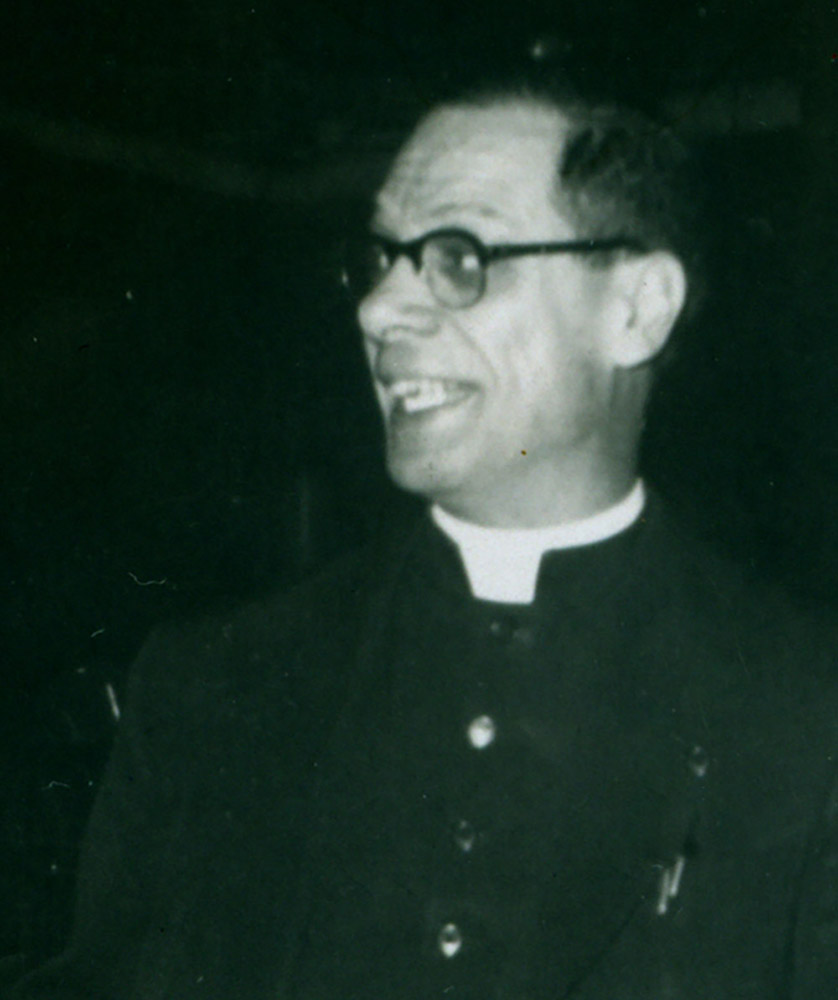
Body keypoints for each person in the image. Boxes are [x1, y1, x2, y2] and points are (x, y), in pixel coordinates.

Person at [8, 75, 837, 1000]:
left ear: (636, 309)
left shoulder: (806, 710)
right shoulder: (214, 687)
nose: (378, 311)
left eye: (459, 254)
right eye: (381, 260)